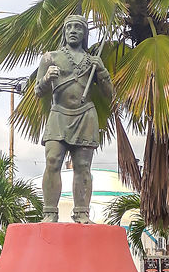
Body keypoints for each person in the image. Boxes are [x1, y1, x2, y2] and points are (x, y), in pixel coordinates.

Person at [34, 14, 114, 223]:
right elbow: (38, 91)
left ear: (85, 33)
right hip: (59, 113)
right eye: (69, 27)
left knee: (83, 166)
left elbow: (109, 94)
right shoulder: (50, 57)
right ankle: (50, 212)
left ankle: (82, 213)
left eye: (78, 27)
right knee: (52, 160)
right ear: (64, 31)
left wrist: (102, 70)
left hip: (85, 114)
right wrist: (46, 78)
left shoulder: (93, 61)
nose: (73, 31)